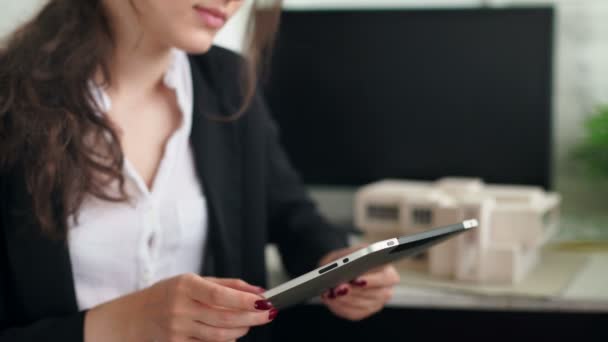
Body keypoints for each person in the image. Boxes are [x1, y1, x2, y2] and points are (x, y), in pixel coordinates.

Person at [0, 0, 400, 341]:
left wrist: (336, 262)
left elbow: (289, 212)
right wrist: (120, 324)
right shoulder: (10, 103)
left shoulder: (227, 82)